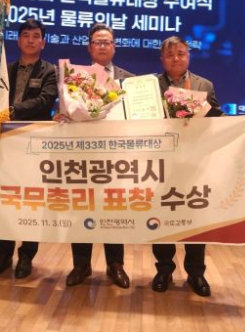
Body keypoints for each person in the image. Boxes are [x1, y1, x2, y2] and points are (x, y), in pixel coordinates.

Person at [152, 36, 224, 297]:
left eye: (181, 53)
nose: (176, 59)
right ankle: (164, 270)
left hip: (195, 164)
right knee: (162, 219)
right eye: (170, 55)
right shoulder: (150, 85)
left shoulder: (205, 85)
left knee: (195, 219)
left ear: (188, 56)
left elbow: (217, 118)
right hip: (161, 165)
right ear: (162, 59)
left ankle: (196, 273)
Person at [0, 18, 58, 279]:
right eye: (26, 35)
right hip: (4, 143)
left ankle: (26, 255)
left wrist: (12, 111)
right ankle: (3, 254)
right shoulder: (4, 70)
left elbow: (45, 101)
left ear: (43, 42)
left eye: (36, 36)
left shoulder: (50, 71)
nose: (30, 40)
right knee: (3, 199)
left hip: (34, 144)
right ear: (18, 41)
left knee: (31, 201)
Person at [65, 23, 134, 289]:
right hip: (84, 156)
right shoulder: (76, 78)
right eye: (97, 42)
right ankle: (81, 266)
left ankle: (115, 265)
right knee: (81, 208)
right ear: (89, 47)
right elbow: (67, 111)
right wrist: (62, 116)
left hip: (117, 158)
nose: (102, 46)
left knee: (113, 209)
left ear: (114, 47)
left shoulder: (130, 80)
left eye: (107, 42)